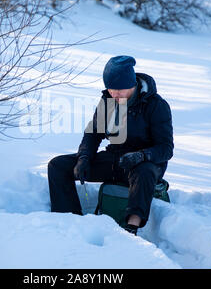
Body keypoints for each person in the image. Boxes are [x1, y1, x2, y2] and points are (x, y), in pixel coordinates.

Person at [48, 55, 173, 235]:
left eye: (120, 89)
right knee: (58, 166)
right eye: (111, 89)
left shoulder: (155, 105)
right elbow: (92, 134)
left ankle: (131, 226)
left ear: (133, 84)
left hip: (145, 164)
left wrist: (141, 156)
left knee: (144, 171)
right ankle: (69, 219)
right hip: (115, 160)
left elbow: (166, 148)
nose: (115, 94)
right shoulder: (108, 101)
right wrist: (84, 157)